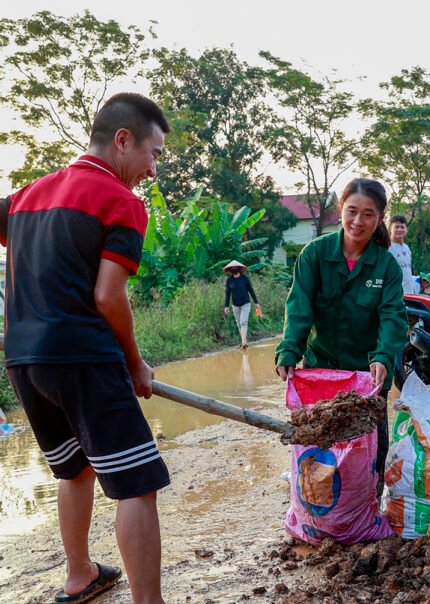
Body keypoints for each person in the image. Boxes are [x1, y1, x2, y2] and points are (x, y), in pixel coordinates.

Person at [0, 93, 170, 602]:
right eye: (153, 153)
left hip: (24, 360)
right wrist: (136, 365)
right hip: (81, 357)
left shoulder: (28, 194)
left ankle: (80, 573)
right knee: (137, 482)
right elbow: (107, 296)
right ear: (123, 140)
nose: (153, 169)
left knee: (74, 467)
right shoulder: (121, 201)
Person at [275, 178, 407, 489]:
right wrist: (290, 349)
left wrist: (384, 356)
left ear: (380, 218)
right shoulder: (314, 255)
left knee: (370, 452)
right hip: (323, 370)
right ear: (340, 210)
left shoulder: (386, 266)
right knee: (321, 449)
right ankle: (320, 517)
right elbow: (299, 308)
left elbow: (392, 318)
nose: (358, 222)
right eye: (352, 211)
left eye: (368, 215)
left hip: (369, 374)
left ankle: (367, 512)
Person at [222, 259, 262, 349]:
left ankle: (244, 342)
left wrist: (256, 302)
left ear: (239, 269)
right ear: (230, 270)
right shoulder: (229, 281)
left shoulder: (245, 279)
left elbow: (251, 290)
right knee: (239, 323)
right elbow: (227, 294)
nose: (234, 269)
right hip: (235, 304)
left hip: (245, 303)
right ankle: (244, 341)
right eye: (233, 268)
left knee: (243, 321)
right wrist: (226, 306)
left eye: (236, 267)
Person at [387, 215, 417, 295]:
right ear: (391, 228)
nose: (399, 229)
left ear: (406, 229)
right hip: (394, 294)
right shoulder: (386, 247)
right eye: (396, 227)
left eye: (402, 227)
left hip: (409, 293)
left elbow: (408, 273)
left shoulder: (406, 248)